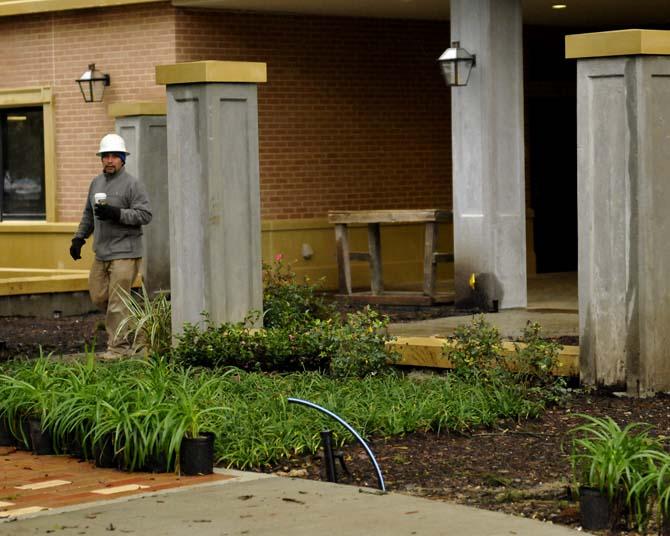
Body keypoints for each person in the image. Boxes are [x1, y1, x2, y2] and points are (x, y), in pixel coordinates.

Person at [69, 133, 152, 359]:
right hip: (102, 252)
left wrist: (117, 213)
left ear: (123, 159)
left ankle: (117, 349)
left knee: (117, 303)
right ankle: (138, 328)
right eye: (106, 156)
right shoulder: (96, 183)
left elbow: (145, 215)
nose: (110, 160)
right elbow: (88, 214)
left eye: (115, 156)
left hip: (126, 252)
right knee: (99, 297)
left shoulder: (133, 184)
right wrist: (79, 238)